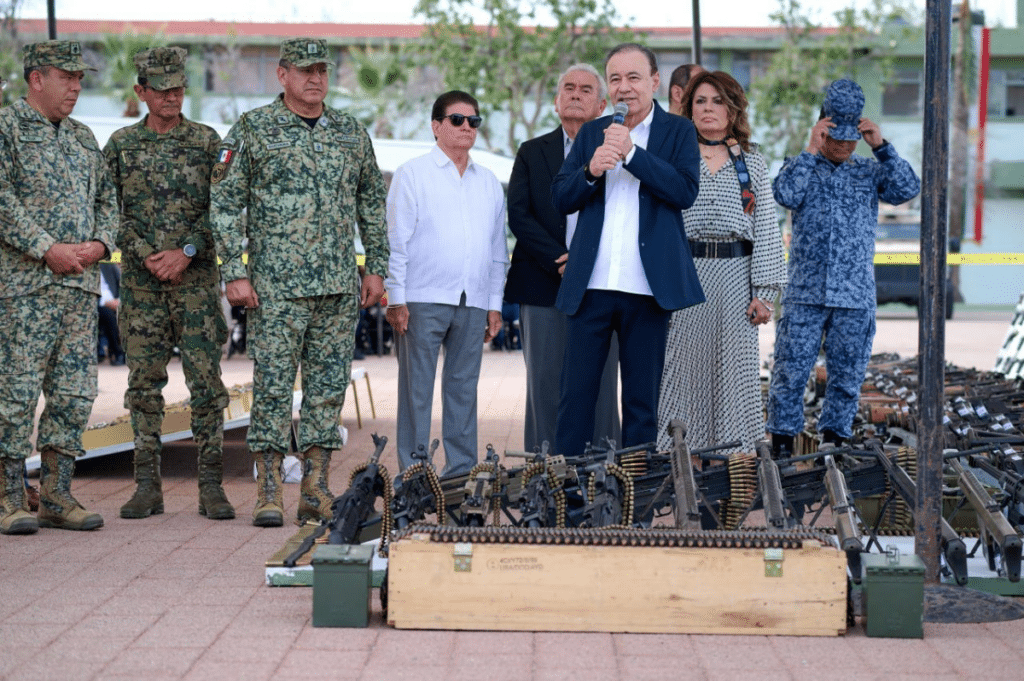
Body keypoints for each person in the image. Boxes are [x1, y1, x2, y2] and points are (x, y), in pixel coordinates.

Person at [210, 38, 389, 527]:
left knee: (328, 390)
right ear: (282, 75)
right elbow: (224, 204)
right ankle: (269, 490)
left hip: (335, 286)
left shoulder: (351, 133)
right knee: (271, 389)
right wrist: (234, 271)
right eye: (305, 70)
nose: (316, 79)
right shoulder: (252, 129)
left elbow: (371, 203)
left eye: (322, 71)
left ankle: (315, 489)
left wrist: (376, 265)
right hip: (275, 289)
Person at [552, 43, 703, 458]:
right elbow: (561, 197)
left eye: (634, 77)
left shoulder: (678, 132)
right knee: (575, 400)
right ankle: (570, 506)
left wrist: (633, 154)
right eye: (615, 78)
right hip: (591, 286)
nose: (624, 87)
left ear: (655, 81)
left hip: (647, 289)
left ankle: (636, 512)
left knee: (640, 406)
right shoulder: (590, 133)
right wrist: (590, 170)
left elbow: (684, 191)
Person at [103, 47, 234, 521]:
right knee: (143, 386)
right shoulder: (119, 146)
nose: (172, 97)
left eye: (178, 88)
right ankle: (146, 487)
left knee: (206, 383)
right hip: (141, 287)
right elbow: (105, 211)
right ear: (141, 92)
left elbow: (222, 207)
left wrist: (188, 252)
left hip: (196, 284)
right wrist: (144, 254)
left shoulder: (206, 141)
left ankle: (212, 488)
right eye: (161, 90)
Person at [766, 78, 920, 457]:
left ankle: (833, 446)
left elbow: (907, 189)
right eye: (837, 139)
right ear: (823, 130)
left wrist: (882, 148)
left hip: (853, 296)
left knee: (847, 378)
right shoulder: (799, 167)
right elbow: (784, 194)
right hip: (805, 293)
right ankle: (783, 446)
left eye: (852, 140)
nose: (844, 147)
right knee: (790, 373)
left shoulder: (868, 172)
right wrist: (808, 149)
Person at [0, 41, 118, 535]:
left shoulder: (85, 138)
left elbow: (108, 199)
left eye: (79, 79)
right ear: (36, 79)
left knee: (74, 394)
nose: (75, 87)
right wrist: (46, 245)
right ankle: (8, 497)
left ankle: (56, 494)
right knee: (15, 396)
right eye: (66, 77)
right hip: (25, 289)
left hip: (79, 289)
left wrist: (99, 242)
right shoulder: (7, 127)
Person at [656, 71, 787, 454]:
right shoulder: (673, 156)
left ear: (733, 110)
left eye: (717, 101)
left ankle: (731, 470)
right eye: (700, 101)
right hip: (684, 275)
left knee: (733, 376)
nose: (708, 109)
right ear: (688, 108)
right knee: (681, 374)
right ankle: (682, 470)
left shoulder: (752, 161)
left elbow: (765, 227)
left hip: (735, 280)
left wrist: (764, 293)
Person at [385, 90, 507, 476]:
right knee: (416, 393)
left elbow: (496, 250)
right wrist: (396, 298)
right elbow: (397, 242)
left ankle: (459, 476)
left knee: (463, 391)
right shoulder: (412, 174)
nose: (467, 127)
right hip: (421, 299)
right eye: (458, 120)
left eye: (474, 121)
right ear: (436, 126)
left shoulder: (488, 182)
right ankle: (415, 475)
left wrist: (494, 303)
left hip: (473, 302)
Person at [504, 63, 621, 453]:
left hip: (604, 283)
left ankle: (604, 480)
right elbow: (519, 214)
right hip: (542, 284)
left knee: (602, 387)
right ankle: (544, 481)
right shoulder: (532, 152)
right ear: (556, 102)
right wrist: (561, 258)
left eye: (585, 89)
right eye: (567, 88)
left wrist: (588, 261)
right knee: (545, 385)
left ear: (602, 104)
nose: (575, 94)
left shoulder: (621, 153)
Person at [97, 261, 125, 366]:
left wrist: (119, 301)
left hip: (115, 301)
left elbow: (121, 284)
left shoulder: (108, 265)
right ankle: (118, 353)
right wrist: (105, 302)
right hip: (99, 304)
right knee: (109, 317)